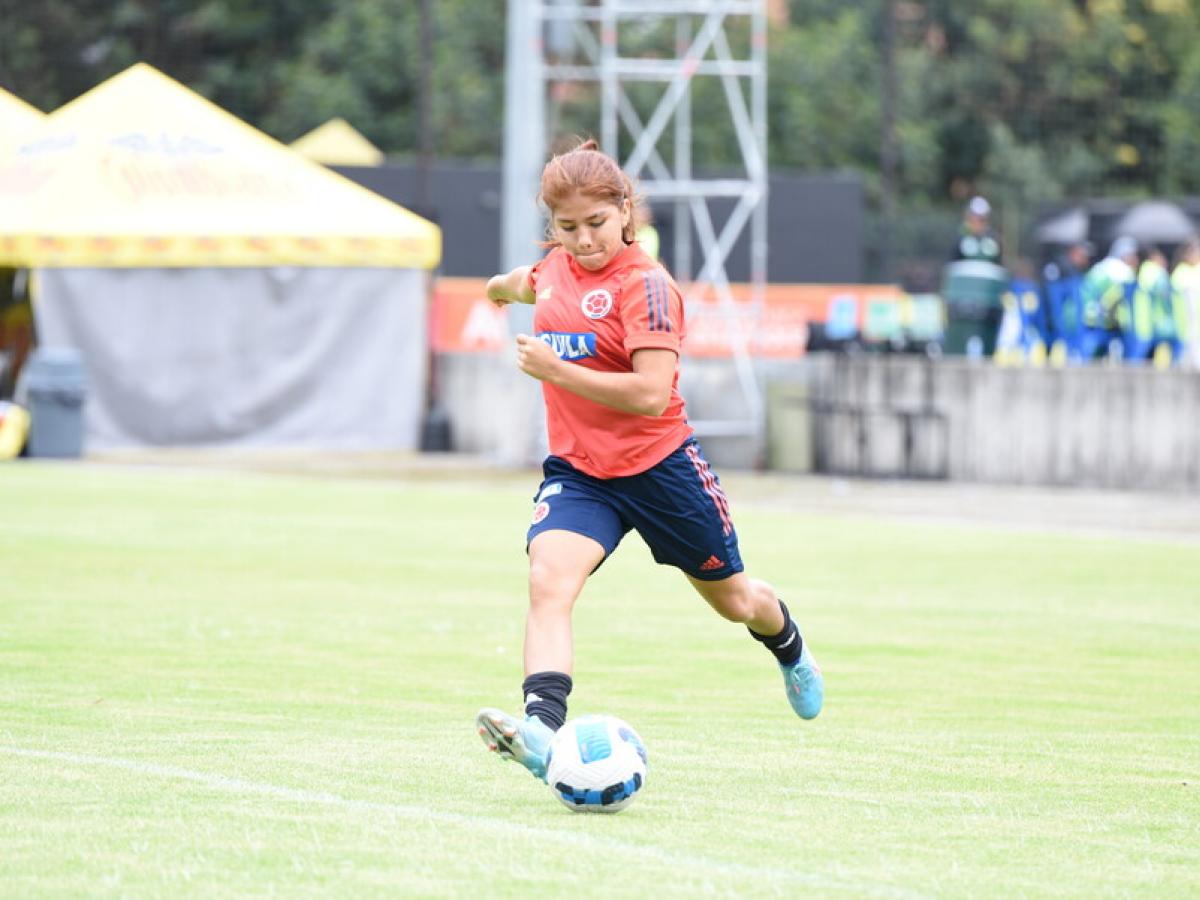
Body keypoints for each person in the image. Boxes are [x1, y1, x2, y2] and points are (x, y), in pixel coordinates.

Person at [475, 139, 823, 783]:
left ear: (625, 211)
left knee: (736, 602)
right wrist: (497, 289)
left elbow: (650, 394)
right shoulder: (552, 271)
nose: (584, 240)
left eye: (597, 223)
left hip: (661, 470)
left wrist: (556, 370)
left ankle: (789, 645)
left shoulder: (648, 286)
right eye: (568, 228)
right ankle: (542, 730)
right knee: (548, 581)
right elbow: (523, 281)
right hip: (582, 473)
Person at [1075, 236, 1139, 361]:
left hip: (1089, 317)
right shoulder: (1123, 271)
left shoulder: (1099, 267)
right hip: (1108, 320)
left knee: (1089, 355)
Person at [950, 196, 1002, 264]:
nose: (977, 223)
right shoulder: (961, 238)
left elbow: (998, 264)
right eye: (974, 219)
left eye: (981, 220)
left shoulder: (994, 240)